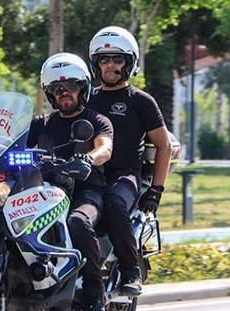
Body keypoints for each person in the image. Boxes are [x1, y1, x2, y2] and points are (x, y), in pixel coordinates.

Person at [27, 53, 114, 311]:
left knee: (77, 222)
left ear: (84, 88)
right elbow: (15, 148)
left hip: (86, 192)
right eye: (56, 88)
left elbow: (105, 147)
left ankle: (94, 292)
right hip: (47, 192)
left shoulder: (96, 120)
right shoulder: (40, 124)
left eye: (71, 86)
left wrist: (89, 158)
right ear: (50, 94)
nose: (64, 92)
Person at [86, 26, 171, 296]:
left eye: (117, 59)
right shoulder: (86, 99)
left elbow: (164, 145)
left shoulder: (141, 101)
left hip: (124, 175)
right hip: (88, 174)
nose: (109, 65)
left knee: (113, 203)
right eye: (103, 59)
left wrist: (156, 190)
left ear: (129, 63)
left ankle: (130, 268)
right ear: (95, 64)